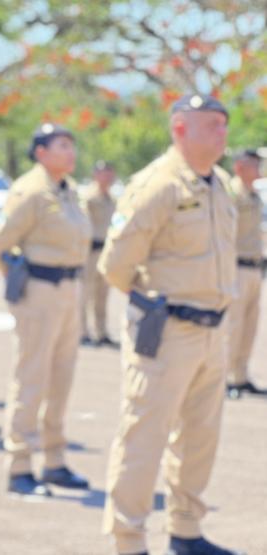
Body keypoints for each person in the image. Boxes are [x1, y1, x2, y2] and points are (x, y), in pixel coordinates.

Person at [99, 94, 242, 555]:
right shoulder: (157, 185)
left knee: (199, 440)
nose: (222, 132)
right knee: (144, 438)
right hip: (169, 332)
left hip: (212, 331)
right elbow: (116, 266)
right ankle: (128, 542)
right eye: (211, 124)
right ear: (179, 127)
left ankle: (185, 531)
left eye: (224, 124)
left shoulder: (220, 184)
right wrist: (156, 303)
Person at [0, 123, 91, 497]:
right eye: (62, 145)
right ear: (41, 152)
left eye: (71, 145)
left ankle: (54, 461)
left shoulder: (68, 191)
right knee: (31, 380)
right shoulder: (29, 191)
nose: (70, 152)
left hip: (68, 291)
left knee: (61, 381)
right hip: (40, 293)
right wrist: (20, 286)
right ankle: (19, 466)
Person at [225, 149, 266, 400]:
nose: (259, 169)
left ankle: (240, 377)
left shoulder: (254, 195)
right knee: (234, 326)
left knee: (249, 326)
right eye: (254, 164)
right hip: (236, 267)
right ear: (240, 166)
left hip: (254, 267)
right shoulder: (231, 193)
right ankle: (226, 378)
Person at [80, 160, 118, 347]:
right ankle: (82, 332)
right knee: (85, 293)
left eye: (110, 173)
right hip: (90, 251)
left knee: (102, 294)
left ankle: (101, 331)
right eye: (104, 173)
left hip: (106, 251)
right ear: (96, 175)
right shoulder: (88, 197)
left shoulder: (112, 199)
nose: (108, 177)